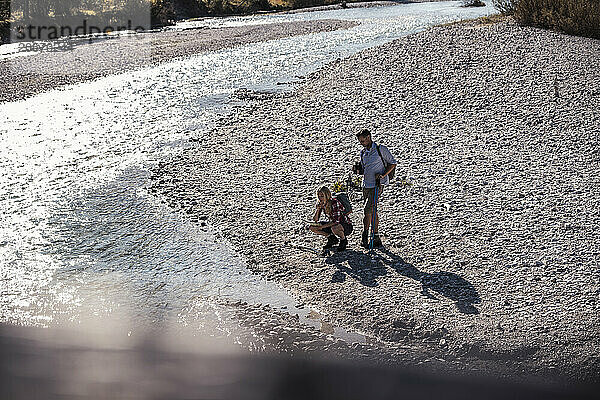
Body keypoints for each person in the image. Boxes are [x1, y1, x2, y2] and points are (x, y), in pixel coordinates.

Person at [354, 129, 397, 248]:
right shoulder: (363, 153)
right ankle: (375, 236)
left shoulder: (380, 149)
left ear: (368, 137)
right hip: (365, 185)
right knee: (372, 210)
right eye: (360, 141)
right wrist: (357, 171)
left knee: (367, 210)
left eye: (362, 140)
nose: (361, 143)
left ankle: (365, 234)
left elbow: (392, 163)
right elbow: (364, 169)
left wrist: (383, 175)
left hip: (377, 185)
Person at [309, 186, 353, 252]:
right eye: (319, 196)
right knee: (312, 227)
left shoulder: (334, 203)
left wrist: (322, 226)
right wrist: (318, 210)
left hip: (345, 225)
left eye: (322, 196)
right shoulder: (322, 204)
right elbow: (315, 219)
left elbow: (336, 221)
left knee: (334, 228)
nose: (320, 198)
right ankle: (331, 238)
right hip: (333, 224)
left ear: (327, 195)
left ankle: (343, 240)